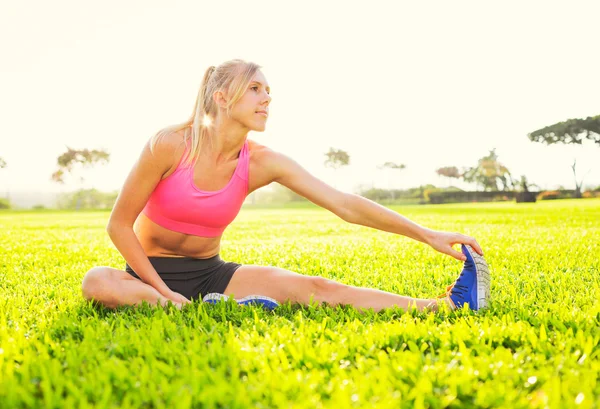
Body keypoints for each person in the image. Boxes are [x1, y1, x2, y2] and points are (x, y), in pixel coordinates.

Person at [81, 59, 490, 313]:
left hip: (211, 275)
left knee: (315, 287)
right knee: (97, 281)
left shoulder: (262, 162)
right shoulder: (169, 145)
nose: (267, 99)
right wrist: (162, 290)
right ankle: (184, 309)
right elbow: (118, 225)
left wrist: (427, 234)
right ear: (222, 98)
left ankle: (442, 307)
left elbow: (343, 204)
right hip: (146, 273)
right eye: (255, 89)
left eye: (268, 91)